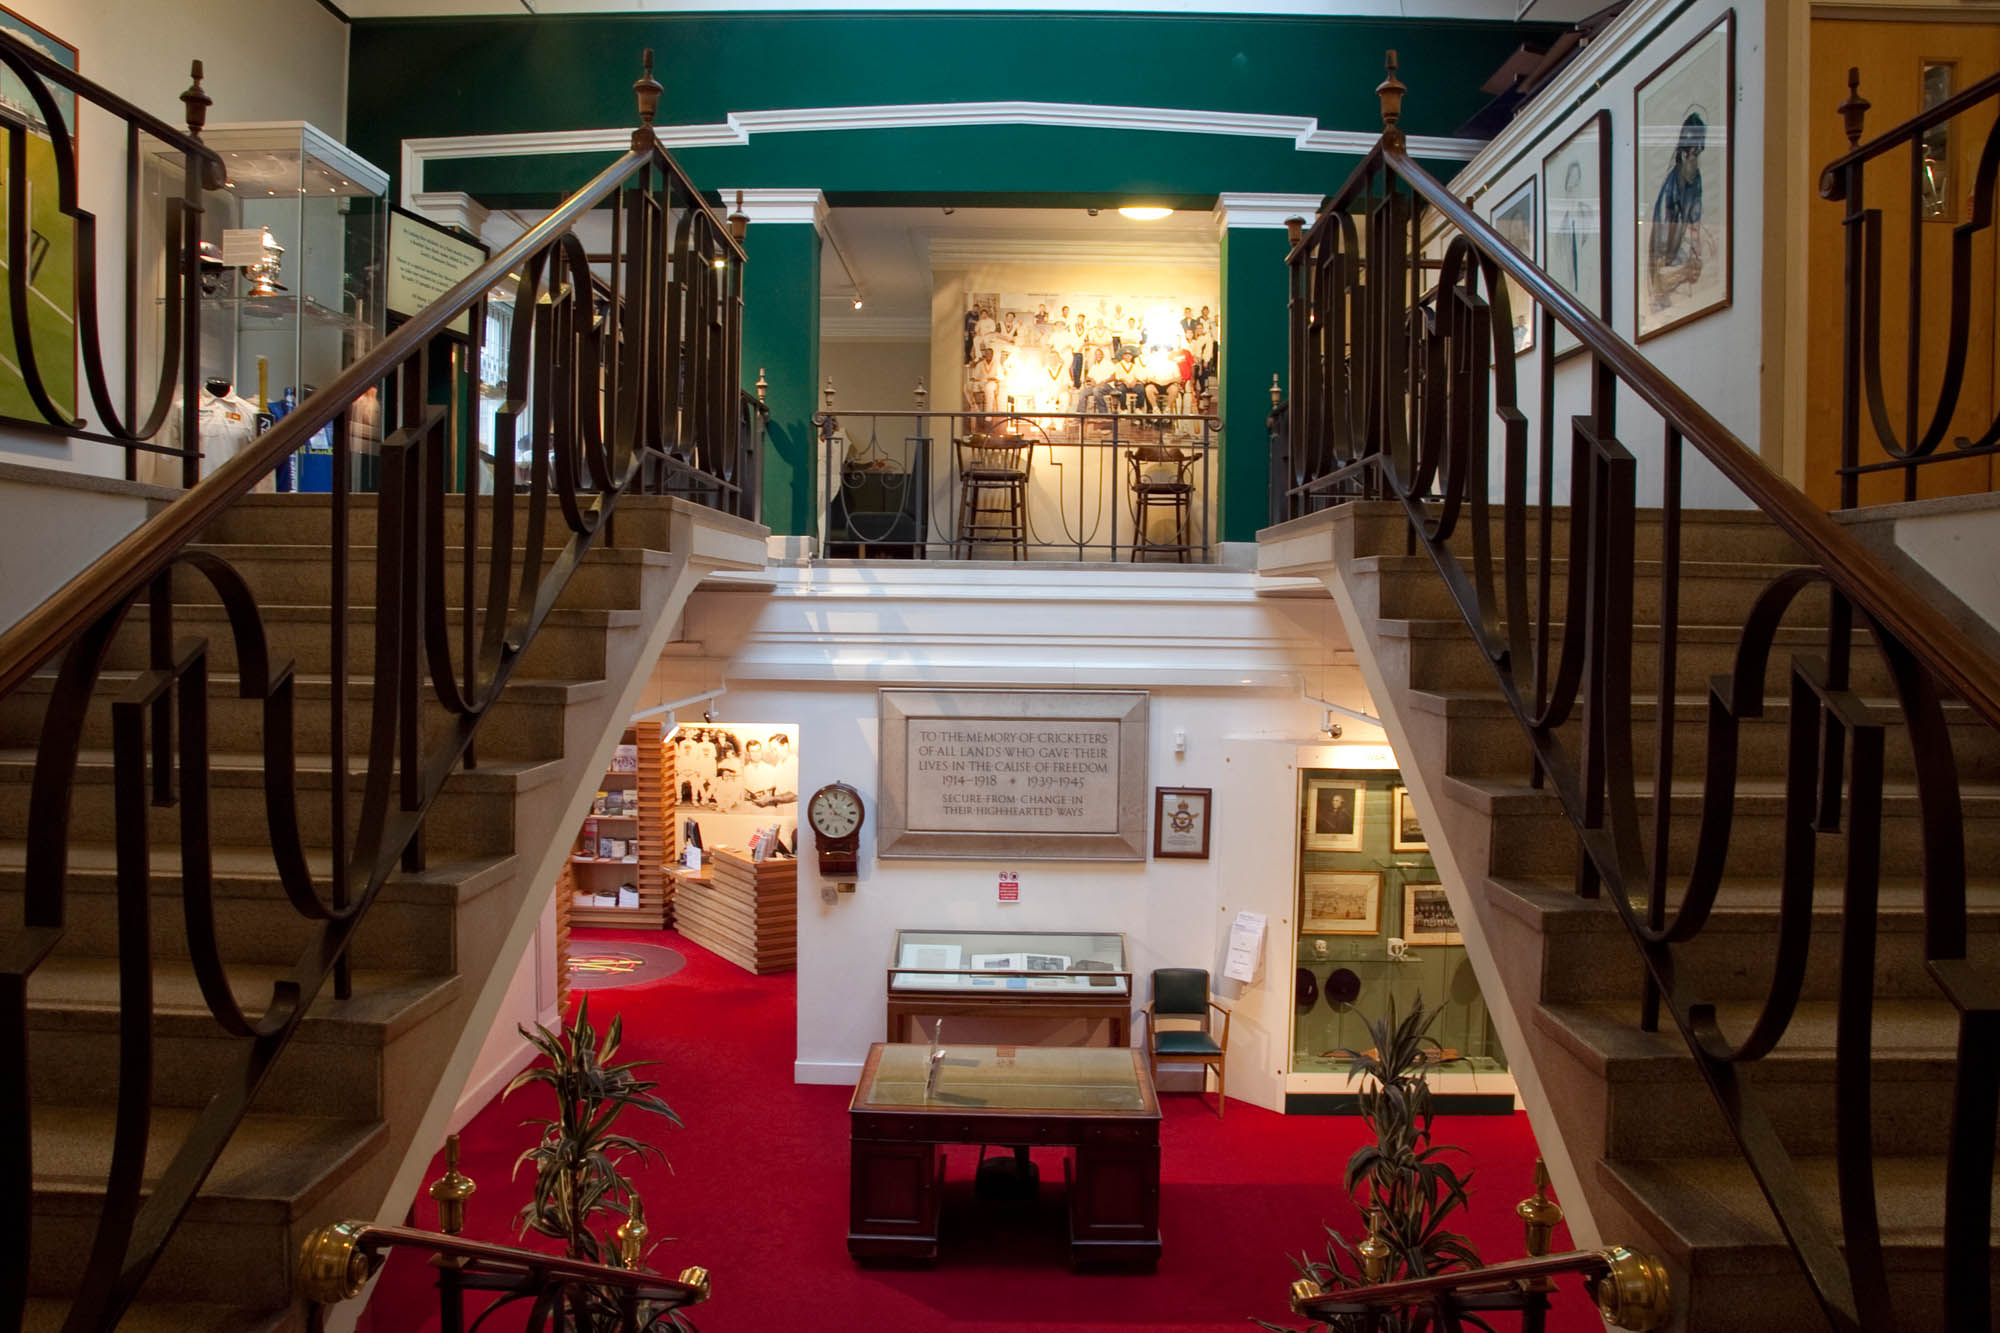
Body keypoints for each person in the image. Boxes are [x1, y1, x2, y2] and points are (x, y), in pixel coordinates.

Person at [1647, 110, 1708, 311]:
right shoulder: (1668, 196)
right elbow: (1659, 277)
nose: (1696, 162)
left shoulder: (1695, 180)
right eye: (1693, 155)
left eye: (1699, 154)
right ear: (1683, 154)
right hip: (1664, 274)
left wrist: (1697, 255)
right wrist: (1684, 271)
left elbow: (1695, 228)